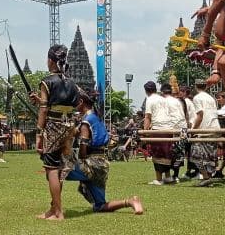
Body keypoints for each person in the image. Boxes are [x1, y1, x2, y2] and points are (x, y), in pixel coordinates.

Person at [62, 90, 144, 216]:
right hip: (102, 164)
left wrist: (80, 158)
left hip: (92, 164)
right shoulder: (96, 118)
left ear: (81, 102)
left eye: (75, 102)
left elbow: (83, 146)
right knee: (99, 206)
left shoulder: (86, 122)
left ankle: (55, 208)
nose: (74, 104)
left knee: (56, 170)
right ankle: (131, 202)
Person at [28, 44, 80, 221]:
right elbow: (72, 105)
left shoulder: (47, 81)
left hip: (52, 128)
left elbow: (43, 111)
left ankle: (58, 212)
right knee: (60, 170)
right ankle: (53, 208)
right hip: (68, 127)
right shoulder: (72, 83)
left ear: (50, 60)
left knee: (51, 169)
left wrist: (38, 134)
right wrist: (43, 101)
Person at [191, 79, 221, 186]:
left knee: (196, 154)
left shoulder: (197, 98)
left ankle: (206, 177)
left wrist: (193, 130)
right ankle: (208, 177)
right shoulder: (211, 98)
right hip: (215, 127)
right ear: (206, 87)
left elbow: (200, 115)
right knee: (210, 155)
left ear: (196, 86)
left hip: (205, 128)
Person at [160, 84, 187, 182]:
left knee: (169, 153)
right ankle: (175, 175)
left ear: (162, 92)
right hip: (183, 128)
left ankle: (169, 176)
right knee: (179, 153)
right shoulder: (177, 101)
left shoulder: (163, 101)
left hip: (172, 128)